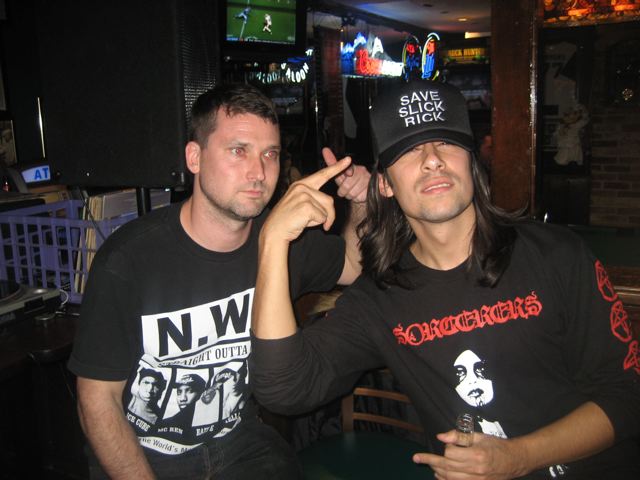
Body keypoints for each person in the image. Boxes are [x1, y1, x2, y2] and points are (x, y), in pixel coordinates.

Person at [250, 79, 640, 479]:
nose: (433, 160)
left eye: (447, 142)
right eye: (409, 150)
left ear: (472, 162)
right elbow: (283, 388)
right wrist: (272, 242)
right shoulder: (382, 298)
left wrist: (518, 457)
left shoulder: (555, 255)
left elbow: (628, 396)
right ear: (385, 184)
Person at [67, 83, 369, 479]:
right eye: (238, 151)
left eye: (270, 154)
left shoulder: (279, 238)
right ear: (194, 157)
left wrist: (361, 203)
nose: (258, 172)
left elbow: (351, 264)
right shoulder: (128, 259)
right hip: (145, 456)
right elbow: (96, 401)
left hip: (239, 443)